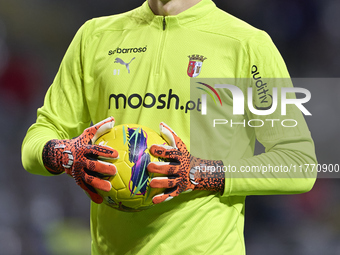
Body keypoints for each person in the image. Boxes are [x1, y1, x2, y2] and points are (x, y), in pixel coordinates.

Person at [21, 0, 317, 254]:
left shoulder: (247, 45)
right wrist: (63, 154)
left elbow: (299, 164)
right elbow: (40, 136)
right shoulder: (95, 36)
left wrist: (201, 173)